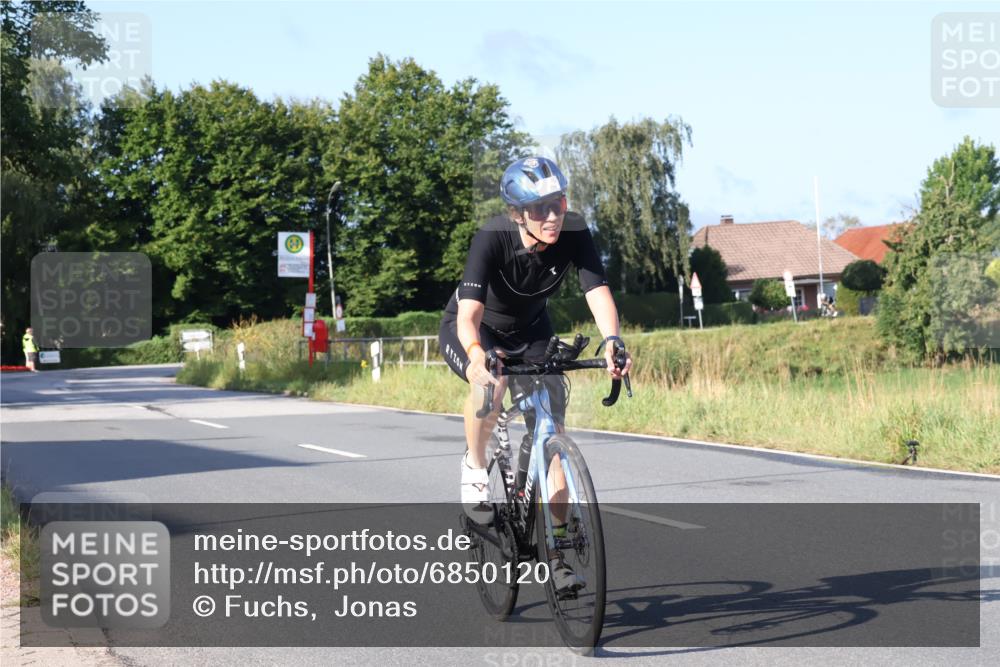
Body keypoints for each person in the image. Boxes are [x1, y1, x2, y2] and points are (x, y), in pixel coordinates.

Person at [438, 156, 632, 593]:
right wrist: (475, 357)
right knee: (493, 382)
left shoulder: (575, 232)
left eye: (558, 204)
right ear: (517, 214)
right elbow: (468, 315)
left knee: (554, 442)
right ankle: (474, 465)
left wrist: (614, 341)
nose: (552, 216)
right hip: (474, 328)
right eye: (540, 208)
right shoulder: (493, 237)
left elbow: (597, 293)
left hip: (532, 331)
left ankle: (558, 554)